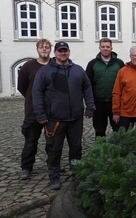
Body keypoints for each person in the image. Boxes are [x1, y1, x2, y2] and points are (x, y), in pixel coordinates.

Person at [32, 41, 94, 190]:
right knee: (54, 149)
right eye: (60, 51)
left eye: (65, 51)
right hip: (55, 119)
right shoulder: (44, 72)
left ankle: (76, 173)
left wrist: (90, 107)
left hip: (75, 118)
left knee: (76, 148)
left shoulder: (78, 70)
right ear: (55, 53)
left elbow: (87, 88)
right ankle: (54, 177)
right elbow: (37, 93)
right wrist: (40, 114)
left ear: (69, 52)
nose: (63, 53)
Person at [17, 39, 52, 180]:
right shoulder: (28, 66)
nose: (44, 49)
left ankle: (53, 164)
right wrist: (33, 99)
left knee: (53, 141)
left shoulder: (55, 65)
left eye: (47, 47)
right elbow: (22, 87)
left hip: (52, 110)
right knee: (31, 141)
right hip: (33, 111)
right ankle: (26, 167)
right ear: (37, 49)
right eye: (41, 47)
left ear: (51, 49)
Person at [86, 38, 125, 138]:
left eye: (107, 47)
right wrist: (90, 102)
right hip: (98, 103)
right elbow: (87, 85)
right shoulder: (92, 64)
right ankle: (99, 151)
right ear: (99, 48)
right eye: (103, 47)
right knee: (99, 130)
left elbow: (124, 84)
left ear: (111, 48)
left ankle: (118, 151)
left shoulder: (119, 64)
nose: (105, 49)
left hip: (115, 102)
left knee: (118, 130)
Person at [112, 45, 136, 131]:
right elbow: (116, 92)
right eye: (135, 55)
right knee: (126, 138)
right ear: (130, 56)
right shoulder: (123, 71)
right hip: (127, 112)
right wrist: (116, 112)